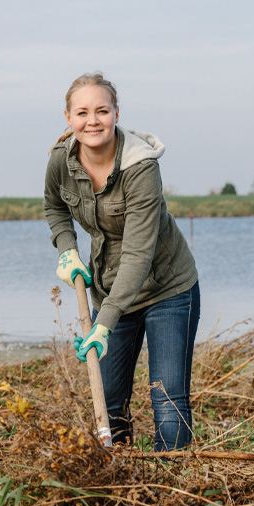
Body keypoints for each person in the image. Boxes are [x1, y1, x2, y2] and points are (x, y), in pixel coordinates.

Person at [44, 73, 200, 451]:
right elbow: (54, 207)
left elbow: (138, 253)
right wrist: (67, 249)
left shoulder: (141, 167)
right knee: (110, 401)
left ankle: (175, 492)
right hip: (109, 288)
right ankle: (121, 482)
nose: (92, 120)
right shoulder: (60, 162)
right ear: (68, 117)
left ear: (116, 113)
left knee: (167, 401)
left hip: (167, 289)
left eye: (102, 110)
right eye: (82, 112)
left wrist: (104, 323)